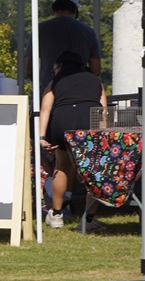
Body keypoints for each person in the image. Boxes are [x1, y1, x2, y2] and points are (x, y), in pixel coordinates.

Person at [39, 51, 107, 231]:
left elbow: (45, 109)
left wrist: (41, 137)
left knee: (62, 166)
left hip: (63, 122)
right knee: (93, 170)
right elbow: (104, 110)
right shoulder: (95, 80)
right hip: (89, 122)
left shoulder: (56, 81)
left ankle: (56, 215)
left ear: (60, 66)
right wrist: (102, 134)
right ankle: (89, 219)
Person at [38, 0, 101, 82]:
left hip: (48, 87)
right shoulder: (89, 32)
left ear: (53, 10)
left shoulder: (40, 29)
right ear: (75, 11)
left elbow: (29, 68)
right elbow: (96, 70)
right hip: (79, 86)